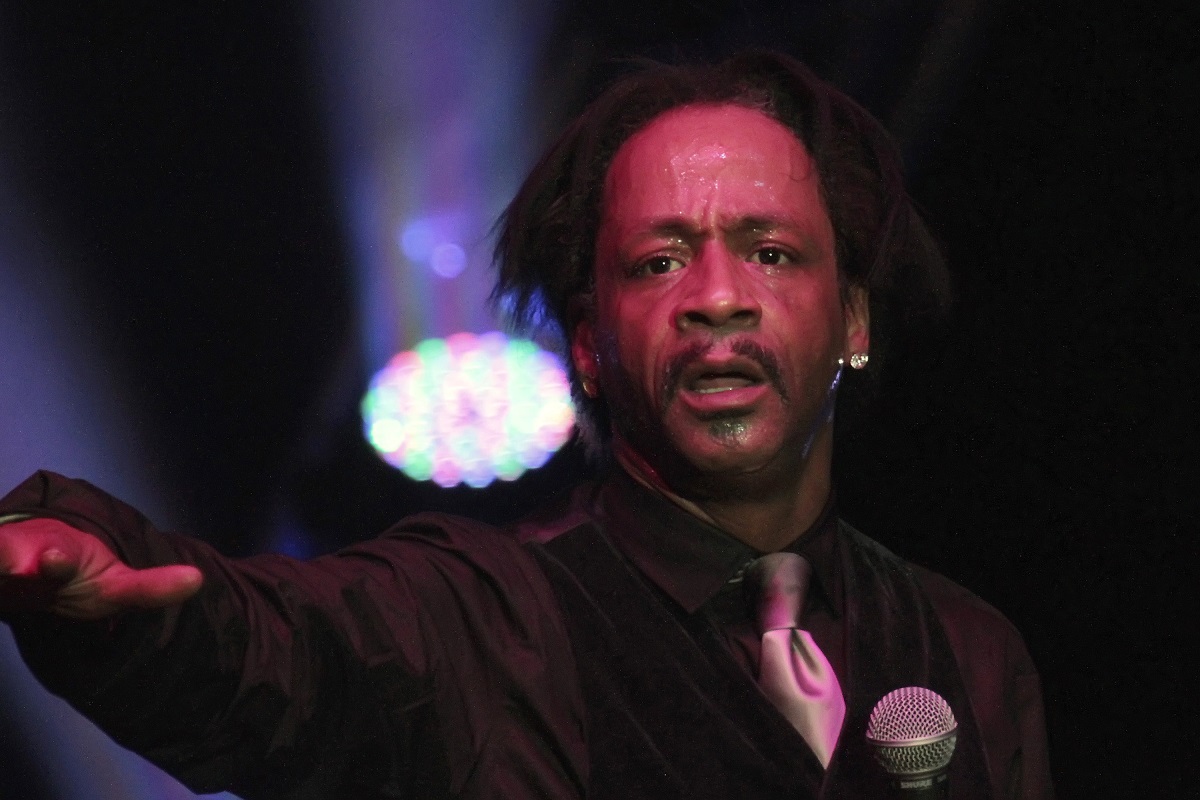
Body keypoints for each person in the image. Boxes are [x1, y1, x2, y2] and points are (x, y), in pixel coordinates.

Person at [0, 52, 1052, 799]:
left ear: (854, 318)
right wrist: (103, 579)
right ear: (587, 344)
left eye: (770, 252)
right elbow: (277, 644)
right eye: (659, 260)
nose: (718, 296)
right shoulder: (477, 620)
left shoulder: (964, 649)